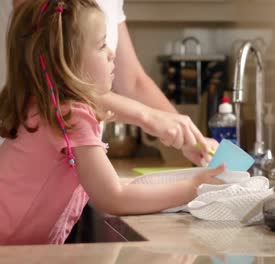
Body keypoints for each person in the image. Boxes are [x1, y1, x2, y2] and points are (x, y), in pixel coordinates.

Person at [0, 0, 225, 245]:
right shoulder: (70, 117)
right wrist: (195, 187)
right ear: (66, 60)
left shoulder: (45, 104)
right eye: (101, 44)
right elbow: (114, 197)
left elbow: (117, 95)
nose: (112, 52)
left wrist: (172, 127)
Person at [8, 0, 218, 166]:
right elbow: (55, 83)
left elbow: (132, 82)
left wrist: (188, 135)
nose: (110, 53)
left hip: (74, 166)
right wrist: (148, 117)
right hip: (33, 163)